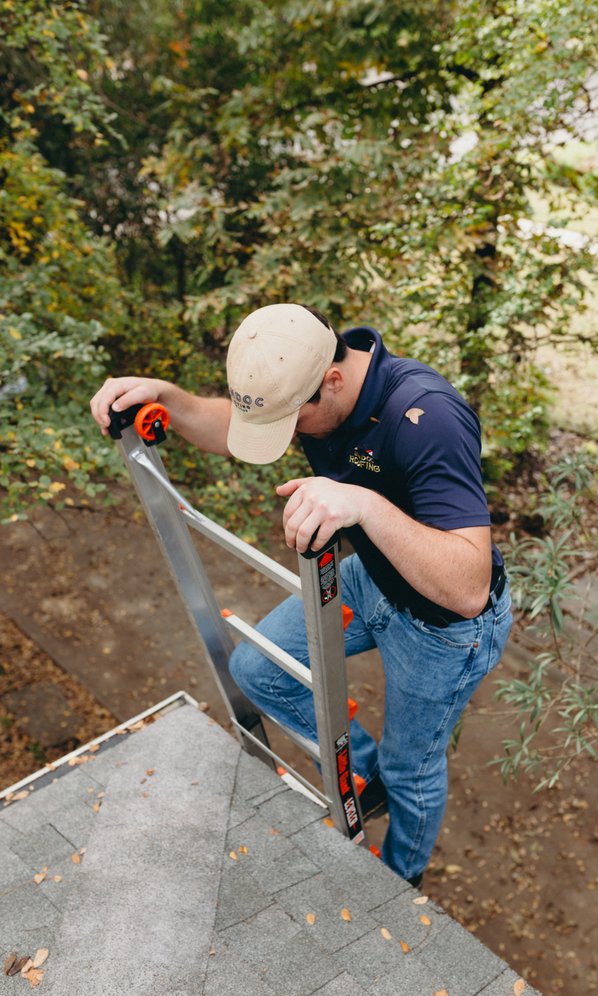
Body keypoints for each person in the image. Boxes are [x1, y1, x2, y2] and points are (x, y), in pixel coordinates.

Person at [90, 302, 512, 887]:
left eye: (291, 425)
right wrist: (169, 397)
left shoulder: (427, 417)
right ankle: (364, 779)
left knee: (411, 767)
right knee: (257, 669)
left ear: (332, 382)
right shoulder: (307, 374)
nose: (286, 439)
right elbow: (235, 432)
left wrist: (363, 504)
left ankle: (400, 880)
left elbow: (467, 586)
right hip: (373, 580)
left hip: (442, 627)